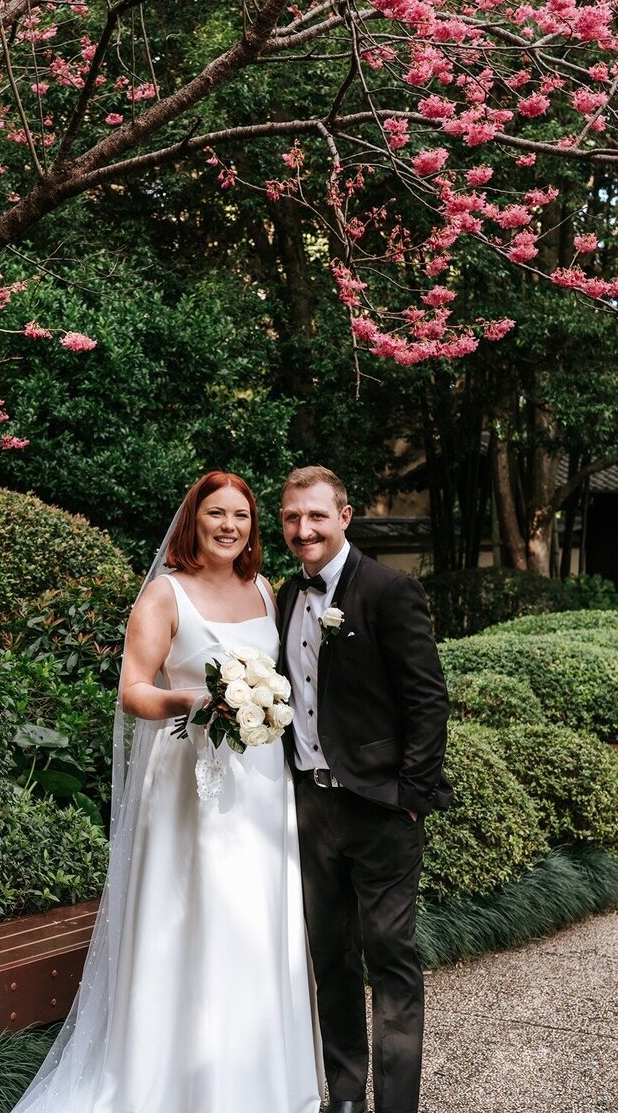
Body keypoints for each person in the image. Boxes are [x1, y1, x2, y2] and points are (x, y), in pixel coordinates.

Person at [10, 470, 321, 1113]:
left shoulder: (262, 588)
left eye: (241, 514)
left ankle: (260, 1080)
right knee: (190, 918)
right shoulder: (165, 594)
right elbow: (132, 687)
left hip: (262, 783)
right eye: (216, 513)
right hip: (188, 780)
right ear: (194, 520)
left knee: (257, 920)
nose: (229, 526)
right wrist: (192, 700)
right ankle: (178, 1084)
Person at [277, 466, 452, 1113]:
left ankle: (396, 1106)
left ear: (344, 517)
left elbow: (428, 701)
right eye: (293, 518)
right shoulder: (284, 599)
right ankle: (345, 1095)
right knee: (333, 960)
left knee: (392, 959)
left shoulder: (388, 590)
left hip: (382, 810)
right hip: (312, 807)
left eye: (317, 516)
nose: (304, 530)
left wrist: (410, 794)